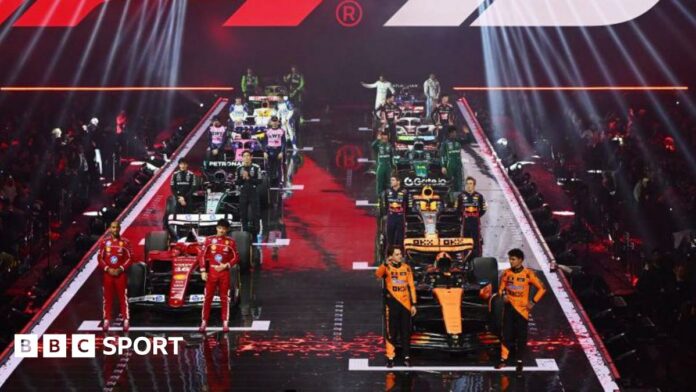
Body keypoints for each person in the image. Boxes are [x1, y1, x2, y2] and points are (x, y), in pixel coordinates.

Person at [496, 248, 547, 373]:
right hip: (509, 309)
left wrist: (533, 302)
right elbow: (501, 288)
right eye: (509, 259)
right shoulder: (506, 273)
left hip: (522, 311)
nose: (510, 261)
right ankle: (503, 360)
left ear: (520, 260)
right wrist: (504, 295)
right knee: (506, 334)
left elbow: (542, 288)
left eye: (513, 259)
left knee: (521, 336)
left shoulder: (528, 274)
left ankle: (519, 361)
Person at [375, 247, 417, 368]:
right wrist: (384, 264)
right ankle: (390, 357)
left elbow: (412, 287)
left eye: (400, 254)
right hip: (391, 304)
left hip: (405, 305)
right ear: (391, 256)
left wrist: (414, 303)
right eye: (397, 254)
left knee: (405, 331)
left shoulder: (407, 268)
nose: (400, 256)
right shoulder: (387, 268)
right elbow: (377, 275)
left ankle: (406, 357)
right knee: (391, 332)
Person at [199, 219, 238, 333]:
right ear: (216, 228)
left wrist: (226, 265)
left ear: (227, 230)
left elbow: (236, 257)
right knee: (207, 298)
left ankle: (225, 322)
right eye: (220, 228)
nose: (221, 230)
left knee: (224, 298)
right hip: (211, 273)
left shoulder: (231, 242)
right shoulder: (209, 240)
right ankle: (204, 322)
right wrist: (202, 271)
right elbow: (202, 255)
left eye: (224, 229)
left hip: (224, 273)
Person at [97, 221, 133, 332]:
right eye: (113, 227)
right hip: (108, 274)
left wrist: (121, 269)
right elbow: (100, 258)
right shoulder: (104, 243)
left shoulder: (126, 243)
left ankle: (126, 320)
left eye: (117, 227)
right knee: (107, 298)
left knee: (123, 297)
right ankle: (106, 320)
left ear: (120, 228)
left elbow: (130, 258)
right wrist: (108, 269)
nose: (115, 229)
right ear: (110, 229)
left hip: (120, 274)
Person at [455, 177, 487, 257]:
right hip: (465, 221)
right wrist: (461, 217)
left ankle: (478, 257)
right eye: (467, 184)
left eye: (471, 184)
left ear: (474, 185)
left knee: (476, 240)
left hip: (475, 221)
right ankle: (465, 257)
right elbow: (456, 209)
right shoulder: (460, 196)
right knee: (465, 240)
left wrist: (477, 216)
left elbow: (484, 208)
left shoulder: (479, 196)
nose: (469, 186)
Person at [236, 150, 262, 234]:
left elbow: (259, 181)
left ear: (251, 157)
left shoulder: (256, 167)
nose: (246, 158)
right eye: (244, 156)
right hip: (243, 192)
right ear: (242, 158)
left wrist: (249, 177)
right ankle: (245, 230)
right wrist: (243, 178)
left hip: (253, 191)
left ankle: (256, 230)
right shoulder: (239, 168)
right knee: (243, 212)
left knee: (256, 212)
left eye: (248, 156)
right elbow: (237, 182)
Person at [381, 176, 408, 253]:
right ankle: (389, 256)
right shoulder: (387, 192)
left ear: (398, 182)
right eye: (391, 180)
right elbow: (385, 205)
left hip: (400, 218)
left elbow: (408, 206)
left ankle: (401, 256)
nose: (391, 182)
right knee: (390, 240)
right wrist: (386, 214)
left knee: (400, 240)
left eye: (393, 180)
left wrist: (406, 218)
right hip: (391, 218)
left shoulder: (404, 192)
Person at [264, 116, 286, 186]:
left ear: (278, 122)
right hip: (270, 150)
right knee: (269, 166)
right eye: (273, 121)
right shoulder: (267, 131)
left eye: (276, 121)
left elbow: (284, 142)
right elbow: (265, 142)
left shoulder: (282, 131)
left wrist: (282, 152)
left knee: (279, 166)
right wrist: (265, 152)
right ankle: (269, 181)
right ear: (270, 122)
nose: (274, 123)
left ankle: (280, 181)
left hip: (278, 150)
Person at [441, 126, 464, 193]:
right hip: (449, 165)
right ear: (449, 134)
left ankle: (459, 196)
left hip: (458, 165)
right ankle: (450, 198)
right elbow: (442, 155)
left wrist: (468, 133)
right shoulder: (445, 143)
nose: (454, 134)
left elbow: (468, 140)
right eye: (453, 133)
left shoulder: (458, 141)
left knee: (459, 182)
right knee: (449, 182)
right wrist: (443, 166)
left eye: (455, 132)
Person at [372, 132, 394, 198]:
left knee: (388, 180)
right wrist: (377, 140)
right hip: (381, 165)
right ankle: (379, 194)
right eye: (383, 137)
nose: (385, 138)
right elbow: (373, 146)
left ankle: (388, 193)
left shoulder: (389, 145)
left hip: (388, 166)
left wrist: (392, 165)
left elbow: (391, 156)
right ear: (381, 137)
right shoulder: (378, 145)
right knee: (380, 180)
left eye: (386, 137)